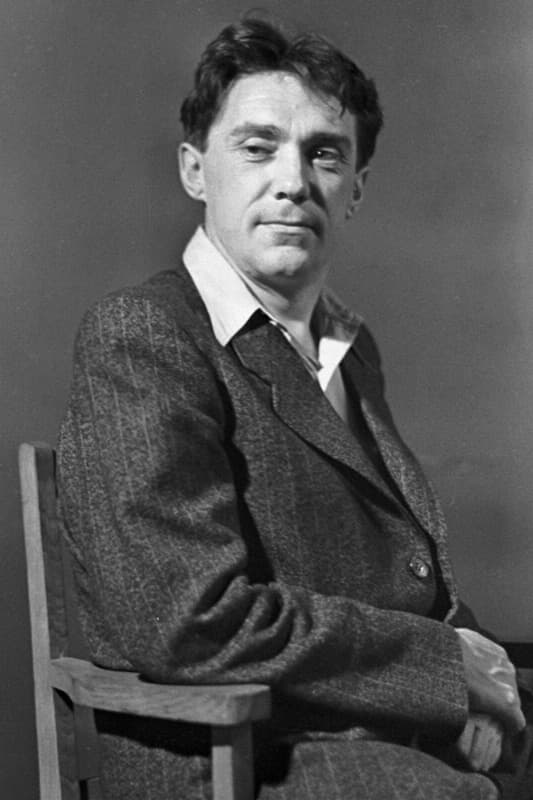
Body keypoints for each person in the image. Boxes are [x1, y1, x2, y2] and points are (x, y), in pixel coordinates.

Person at [57, 17, 533, 800]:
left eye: (324, 154)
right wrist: (444, 669)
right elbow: (182, 619)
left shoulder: (350, 348)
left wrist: (480, 677)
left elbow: (399, 575)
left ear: (355, 191)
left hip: (373, 737)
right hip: (234, 759)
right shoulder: (144, 334)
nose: (292, 182)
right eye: (257, 147)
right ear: (194, 170)